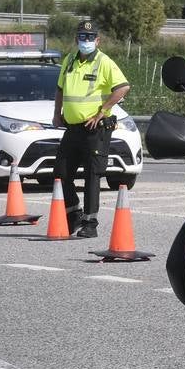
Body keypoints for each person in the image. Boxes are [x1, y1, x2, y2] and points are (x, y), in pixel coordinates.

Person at [52, 19, 131, 238]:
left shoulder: (104, 62)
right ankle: (74, 214)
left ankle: (90, 222)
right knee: (61, 173)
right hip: (73, 128)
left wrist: (101, 111)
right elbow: (60, 89)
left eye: (89, 37)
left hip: (95, 129)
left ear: (97, 40)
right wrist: (57, 113)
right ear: (76, 39)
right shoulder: (69, 61)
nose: (85, 41)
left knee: (92, 175)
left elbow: (123, 87)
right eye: (81, 37)